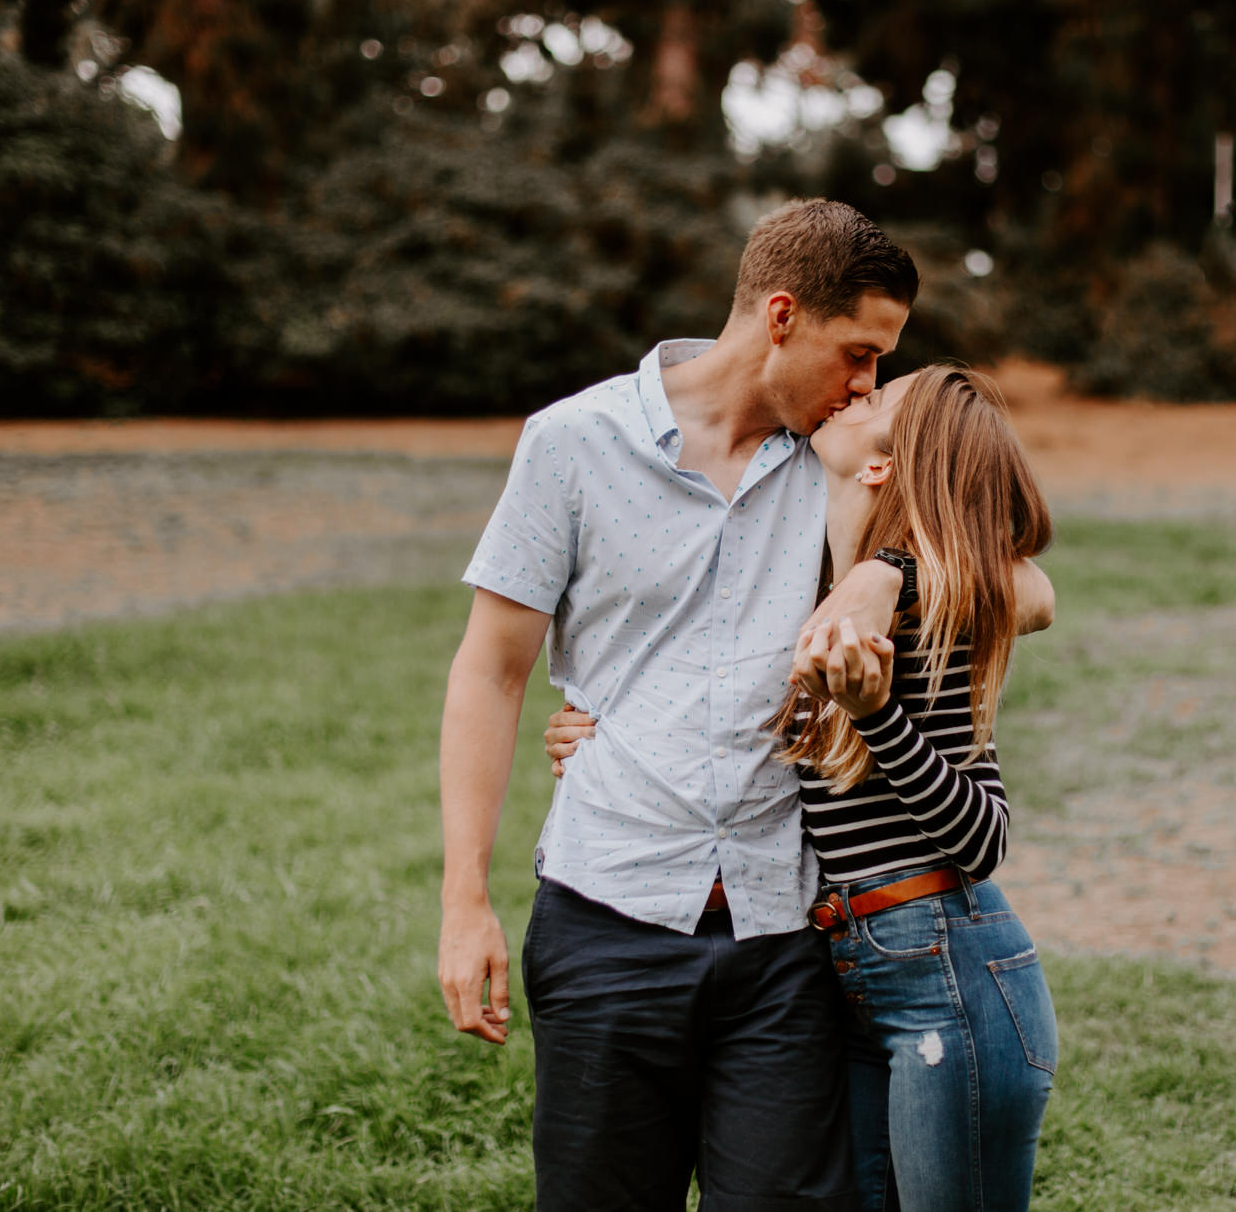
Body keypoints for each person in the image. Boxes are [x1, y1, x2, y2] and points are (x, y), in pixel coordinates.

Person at [438, 199, 1048, 1211]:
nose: (867, 385)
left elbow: (1025, 586)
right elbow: (490, 671)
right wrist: (465, 901)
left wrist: (883, 573)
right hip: (606, 918)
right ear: (779, 317)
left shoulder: (845, 464)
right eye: (856, 353)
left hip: (784, 946)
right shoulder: (570, 444)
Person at [549, 365, 1059, 1212]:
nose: (858, 392)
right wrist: (599, 730)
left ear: (883, 467)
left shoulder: (923, 617)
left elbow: (983, 840)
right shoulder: (820, 586)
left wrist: (880, 710)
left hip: (948, 967)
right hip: (850, 971)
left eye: (877, 402)